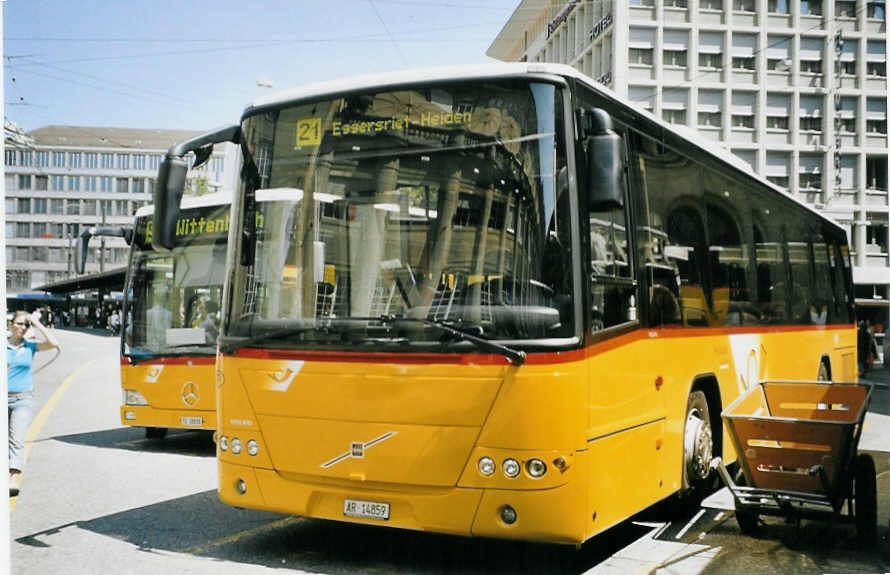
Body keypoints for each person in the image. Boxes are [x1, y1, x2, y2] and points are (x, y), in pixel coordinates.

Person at [7, 310, 59, 496]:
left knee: (17, 438)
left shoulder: (30, 346)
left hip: (22, 399)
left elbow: (54, 343)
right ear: (11, 324)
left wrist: (36, 323)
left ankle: (13, 477)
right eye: (20, 323)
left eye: (25, 325)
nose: (23, 327)